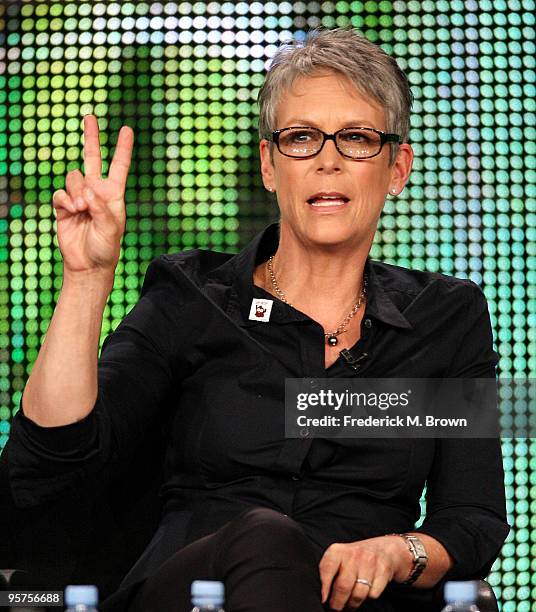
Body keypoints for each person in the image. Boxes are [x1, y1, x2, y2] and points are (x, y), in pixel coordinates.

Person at [6, 28, 509, 612]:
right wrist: (87, 279)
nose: (327, 161)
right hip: (198, 591)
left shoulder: (445, 316)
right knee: (264, 537)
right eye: (300, 138)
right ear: (270, 165)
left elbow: (471, 520)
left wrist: (398, 551)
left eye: (356, 138)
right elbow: (56, 453)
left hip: (361, 602)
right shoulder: (192, 295)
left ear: (396, 169)